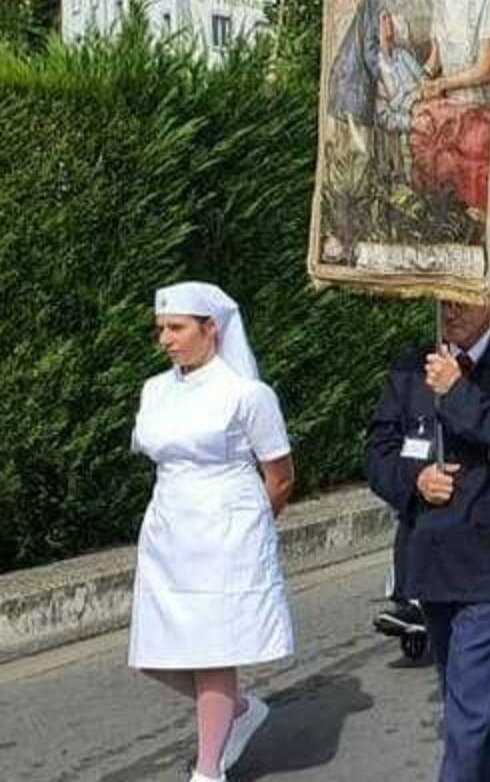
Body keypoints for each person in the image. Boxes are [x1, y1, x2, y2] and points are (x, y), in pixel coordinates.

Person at [365, 289, 490, 782]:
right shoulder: (412, 367)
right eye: (443, 304)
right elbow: (378, 452)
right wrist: (414, 481)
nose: (450, 313)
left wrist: (458, 393)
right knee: (460, 688)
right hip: (430, 548)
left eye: (462, 303)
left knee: (468, 687)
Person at [131, 283, 294, 782]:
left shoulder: (247, 394)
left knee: (213, 651)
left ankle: (208, 771)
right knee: (155, 653)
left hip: (227, 533)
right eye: (161, 328)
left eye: (176, 328)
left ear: (211, 330)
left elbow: (281, 475)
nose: (165, 339)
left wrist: (248, 531)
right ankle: (240, 711)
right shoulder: (155, 389)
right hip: (168, 531)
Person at [388, 0, 490, 218]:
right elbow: (436, 57)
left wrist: (442, 84)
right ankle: (430, 212)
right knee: (420, 125)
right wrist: (419, 80)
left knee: (468, 143)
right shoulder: (441, 1)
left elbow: (487, 68)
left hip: (476, 102)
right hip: (447, 101)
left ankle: (467, 215)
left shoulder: (485, 1)